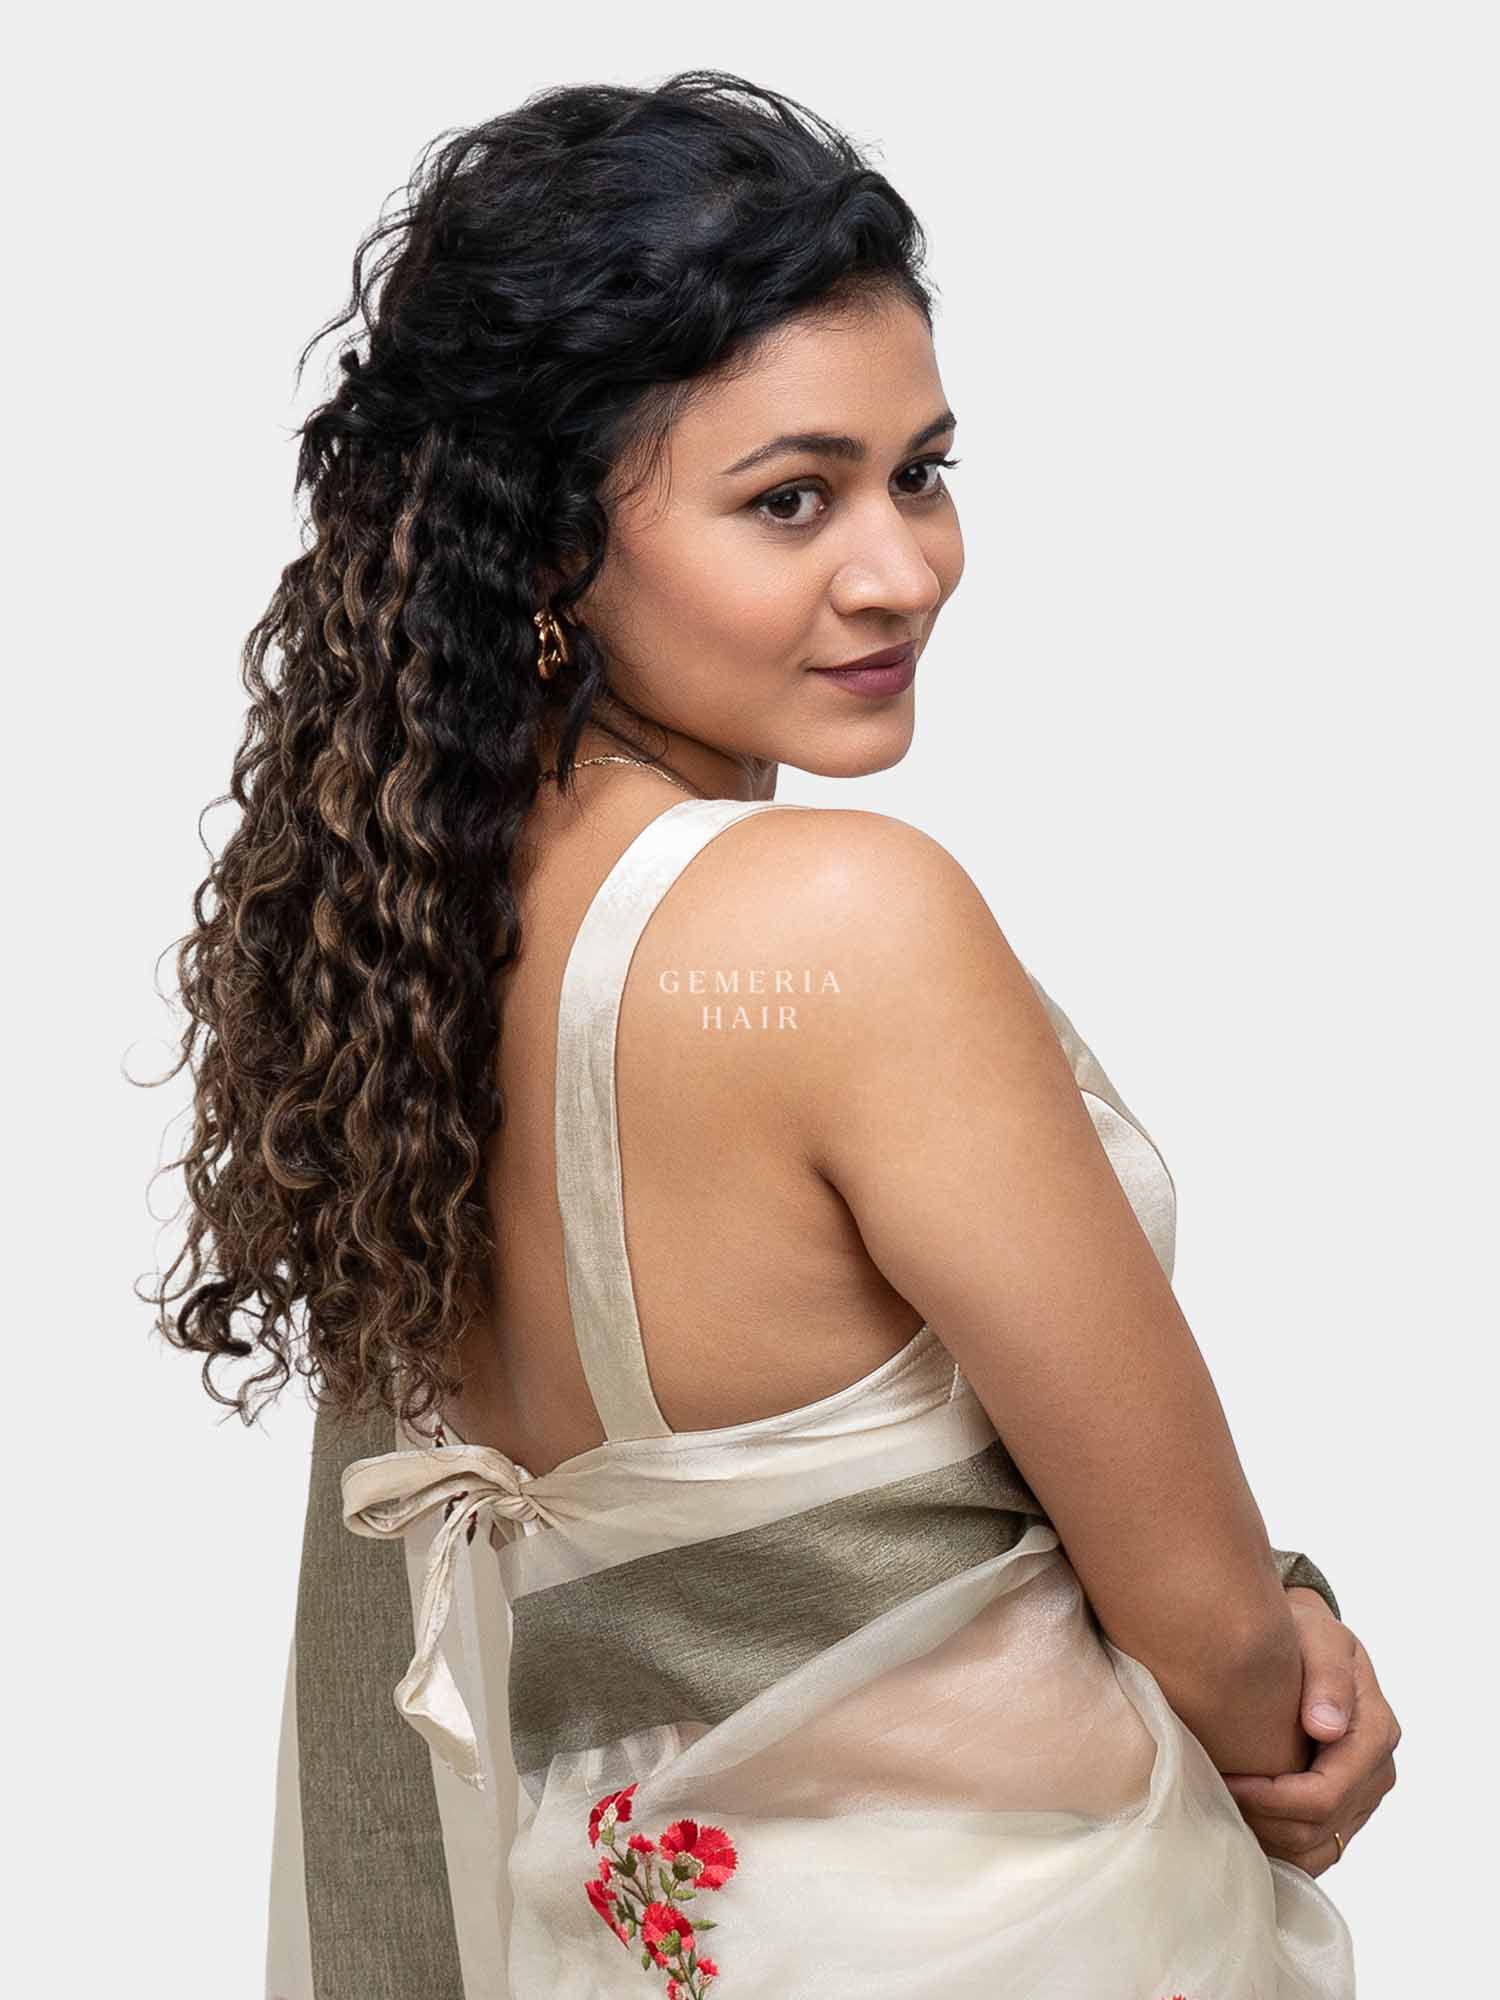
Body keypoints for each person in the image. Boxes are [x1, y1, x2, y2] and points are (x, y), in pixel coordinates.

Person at [147, 70, 1400, 2000]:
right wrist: (1285, 1675)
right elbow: (1211, 1623)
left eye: (923, 472)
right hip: (985, 1940)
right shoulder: (835, 923)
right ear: (546, 543)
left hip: (627, 1933)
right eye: (790, 499)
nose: (901, 569)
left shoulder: (408, 954)